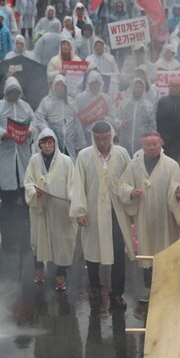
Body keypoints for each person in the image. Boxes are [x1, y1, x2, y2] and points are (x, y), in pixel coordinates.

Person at [69, 121, 133, 314]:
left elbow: (128, 180)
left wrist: (131, 200)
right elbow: (78, 184)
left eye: (105, 138)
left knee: (118, 253)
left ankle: (116, 292)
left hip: (116, 210)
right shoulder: (84, 156)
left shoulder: (121, 154)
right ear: (93, 138)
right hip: (93, 209)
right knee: (92, 251)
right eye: (98, 139)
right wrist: (80, 211)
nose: (102, 142)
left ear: (111, 136)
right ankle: (95, 287)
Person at [119, 131, 180, 317]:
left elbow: (175, 186)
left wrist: (177, 194)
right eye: (147, 145)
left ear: (161, 143)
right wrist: (131, 192)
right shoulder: (134, 164)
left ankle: (166, 287)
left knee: (164, 252)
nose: (151, 147)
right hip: (144, 217)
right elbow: (121, 185)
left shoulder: (171, 165)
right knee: (147, 255)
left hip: (164, 217)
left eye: (155, 144)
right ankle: (148, 287)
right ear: (142, 145)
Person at [25, 129, 78, 292]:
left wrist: (71, 198)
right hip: (40, 208)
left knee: (63, 242)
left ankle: (61, 275)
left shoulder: (66, 161)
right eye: (43, 143)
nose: (47, 146)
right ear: (39, 144)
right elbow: (28, 182)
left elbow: (73, 184)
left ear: (55, 142)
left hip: (60, 209)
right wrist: (35, 193)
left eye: (50, 142)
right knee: (38, 240)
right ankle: (39, 269)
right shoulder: (34, 160)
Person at [0, 77, 34, 237]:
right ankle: (7, 228)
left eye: (16, 92)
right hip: (5, 155)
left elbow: (35, 123)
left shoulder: (25, 107)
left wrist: (29, 132)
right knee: (7, 194)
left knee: (25, 188)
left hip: (22, 153)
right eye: (11, 92)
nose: (14, 95)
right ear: (6, 92)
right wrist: (2, 134)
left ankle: (28, 223)